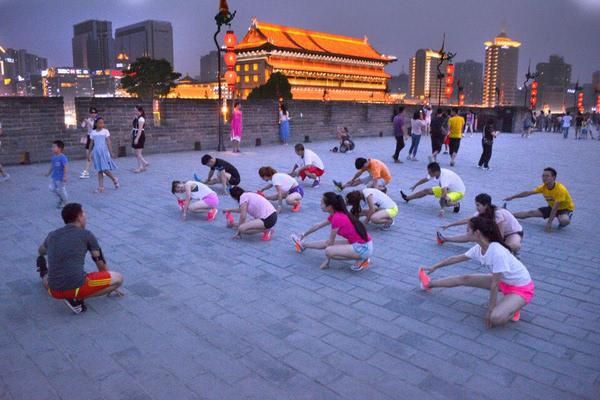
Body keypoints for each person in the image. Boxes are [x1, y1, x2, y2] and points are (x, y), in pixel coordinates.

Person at [418, 217, 534, 327]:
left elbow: (494, 285)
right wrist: (434, 267)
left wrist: (490, 310)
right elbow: (457, 258)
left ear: (477, 233)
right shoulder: (479, 248)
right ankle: (429, 284)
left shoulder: (498, 252)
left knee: (495, 319)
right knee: (465, 278)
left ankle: (514, 308)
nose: (466, 233)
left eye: (468, 230)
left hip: (521, 287)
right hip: (503, 281)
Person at [37, 203, 124, 314]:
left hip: (54, 291)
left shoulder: (52, 235)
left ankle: (44, 272)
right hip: (77, 285)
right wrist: (109, 284)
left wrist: (45, 253)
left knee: (51, 280)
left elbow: (41, 251)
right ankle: (76, 299)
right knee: (119, 278)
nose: (85, 216)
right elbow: (99, 262)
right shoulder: (86, 235)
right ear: (78, 217)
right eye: (84, 214)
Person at [291, 192, 373, 271]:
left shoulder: (337, 218)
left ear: (329, 206)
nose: (320, 205)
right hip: (361, 243)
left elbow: (329, 243)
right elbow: (318, 225)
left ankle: (362, 259)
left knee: (329, 251)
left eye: (322, 203)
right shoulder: (337, 214)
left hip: (363, 247)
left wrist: (327, 260)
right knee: (328, 245)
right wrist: (303, 234)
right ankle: (303, 245)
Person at [438, 193, 523, 253]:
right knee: (472, 235)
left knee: (513, 246)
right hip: (499, 234)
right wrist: (449, 225)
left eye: (478, 205)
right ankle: (445, 239)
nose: (476, 207)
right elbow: (467, 220)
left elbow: (500, 235)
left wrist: (487, 245)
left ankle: (513, 252)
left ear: (485, 205)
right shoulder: (481, 212)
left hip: (513, 233)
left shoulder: (498, 214)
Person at [503, 167, 574, 232]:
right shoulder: (543, 187)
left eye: (547, 176)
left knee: (564, 221)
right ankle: (507, 215)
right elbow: (527, 193)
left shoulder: (561, 189)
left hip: (564, 209)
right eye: (543, 176)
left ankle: (567, 216)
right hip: (552, 207)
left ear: (553, 177)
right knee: (530, 213)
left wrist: (549, 224)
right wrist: (512, 197)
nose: (544, 178)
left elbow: (555, 208)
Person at [401, 162, 465, 217]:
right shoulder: (437, 172)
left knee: (443, 201)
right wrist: (415, 185)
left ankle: (456, 204)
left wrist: (442, 209)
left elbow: (444, 194)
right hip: (448, 188)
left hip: (458, 192)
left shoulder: (444, 177)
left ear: (436, 172)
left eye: (429, 172)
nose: (428, 174)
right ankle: (407, 198)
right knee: (426, 191)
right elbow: (425, 179)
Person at [90, 118, 119, 193]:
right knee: (99, 170)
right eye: (100, 123)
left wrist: (111, 152)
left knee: (105, 169)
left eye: (103, 123)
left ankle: (114, 178)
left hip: (104, 152)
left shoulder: (105, 131)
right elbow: (91, 144)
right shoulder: (93, 132)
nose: (101, 124)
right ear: (96, 124)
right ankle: (101, 187)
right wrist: (89, 153)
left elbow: (109, 142)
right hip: (96, 152)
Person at [45, 140, 69, 208]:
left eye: (54, 147)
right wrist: (48, 173)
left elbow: (66, 166)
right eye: (52, 147)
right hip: (54, 177)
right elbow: (52, 166)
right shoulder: (53, 157)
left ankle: (66, 203)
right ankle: (61, 198)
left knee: (62, 190)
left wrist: (65, 176)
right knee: (51, 188)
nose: (52, 148)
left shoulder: (63, 157)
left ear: (60, 148)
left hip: (60, 178)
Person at [79, 107, 98, 179]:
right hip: (89, 137)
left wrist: (88, 122)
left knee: (97, 155)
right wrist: (82, 121)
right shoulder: (88, 119)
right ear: (90, 114)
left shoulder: (98, 120)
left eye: (94, 113)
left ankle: (87, 171)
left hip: (96, 138)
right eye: (92, 113)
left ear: (96, 113)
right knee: (88, 155)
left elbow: (94, 127)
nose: (93, 114)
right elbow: (82, 126)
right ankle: (87, 172)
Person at [132, 105, 149, 173]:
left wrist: (137, 138)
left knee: (138, 153)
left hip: (139, 135)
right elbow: (134, 127)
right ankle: (142, 166)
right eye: (134, 110)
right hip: (135, 134)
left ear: (140, 111)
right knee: (137, 153)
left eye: (136, 110)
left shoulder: (141, 119)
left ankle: (143, 164)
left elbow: (140, 130)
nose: (134, 112)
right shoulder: (137, 118)